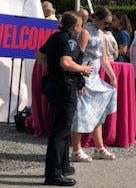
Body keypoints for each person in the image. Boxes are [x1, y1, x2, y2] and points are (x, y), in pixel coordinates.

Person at [37, 12, 92, 187]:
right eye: (80, 25)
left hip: (54, 86)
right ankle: (53, 174)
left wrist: (53, 70)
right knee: (60, 132)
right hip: (65, 87)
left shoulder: (55, 37)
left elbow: (39, 55)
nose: (81, 29)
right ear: (74, 27)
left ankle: (63, 165)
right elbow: (66, 62)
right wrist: (82, 68)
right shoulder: (69, 40)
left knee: (61, 127)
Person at [70, 6, 118, 162]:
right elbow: (78, 56)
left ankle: (99, 147)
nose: (107, 25)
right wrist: (79, 78)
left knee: (98, 112)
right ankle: (76, 150)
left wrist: (112, 77)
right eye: (105, 22)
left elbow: (104, 58)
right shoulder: (85, 32)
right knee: (81, 112)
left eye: (108, 23)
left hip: (95, 77)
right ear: (96, 18)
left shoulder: (100, 33)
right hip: (85, 77)